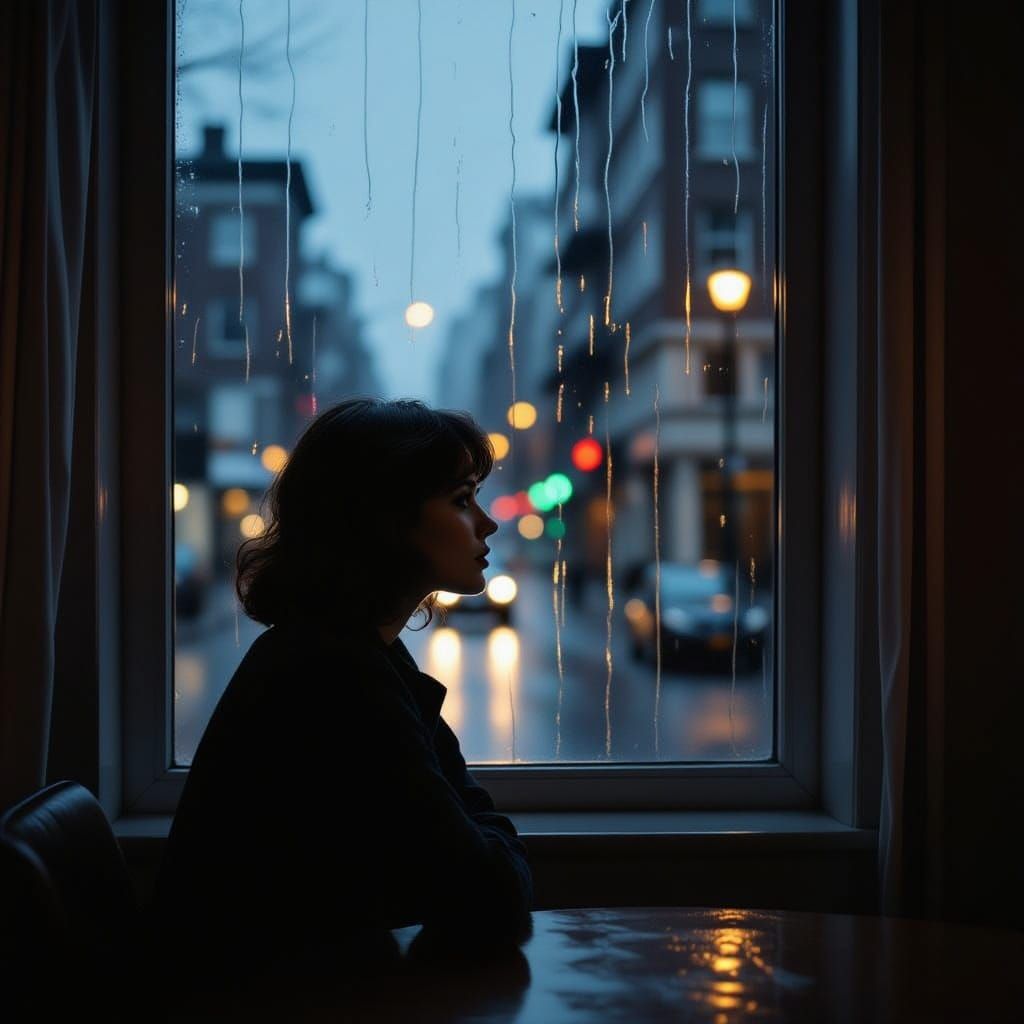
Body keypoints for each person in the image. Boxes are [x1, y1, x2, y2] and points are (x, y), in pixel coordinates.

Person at [149, 398, 533, 993]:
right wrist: (492, 852)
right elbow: (488, 895)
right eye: (461, 500)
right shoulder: (336, 677)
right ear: (384, 521)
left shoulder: (351, 652)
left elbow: (467, 835)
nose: (487, 523)